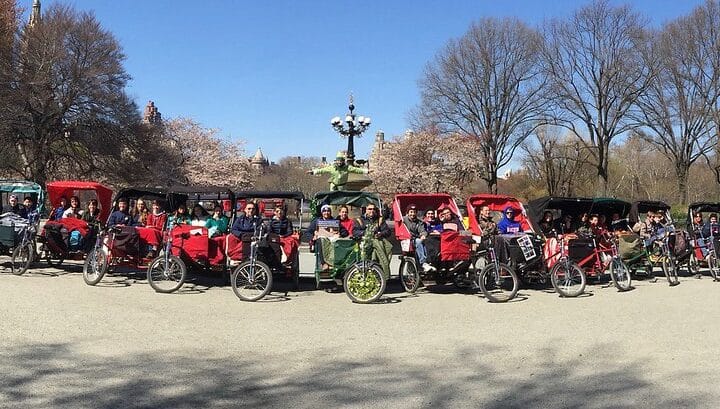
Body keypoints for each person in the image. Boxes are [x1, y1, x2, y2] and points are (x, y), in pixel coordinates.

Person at [353, 203, 393, 280]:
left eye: (374, 209)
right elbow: (355, 232)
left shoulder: (379, 220)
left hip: (378, 243)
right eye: (370, 209)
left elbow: (388, 231)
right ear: (366, 210)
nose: (372, 211)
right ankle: (384, 272)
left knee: (380, 247)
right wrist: (366, 233)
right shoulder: (360, 220)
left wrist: (380, 234)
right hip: (364, 245)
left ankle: (382, 274)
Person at [402, 203, 433, 272]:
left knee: (428, 241)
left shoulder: (419, 222)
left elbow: (422, 230)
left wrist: (423, 235)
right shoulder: (403, 220)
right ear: (408, 212)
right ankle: (423, 262)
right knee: (419, 241)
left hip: (417, 239)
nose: (413, 214)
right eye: (411, 212)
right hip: (408, 240)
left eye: (414, 212)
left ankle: (430, 261)